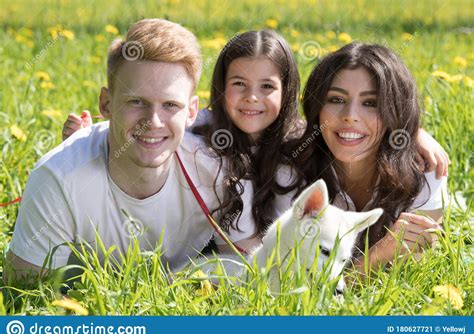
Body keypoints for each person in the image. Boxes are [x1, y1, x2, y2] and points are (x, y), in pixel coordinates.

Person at [63, 31, 449, 249]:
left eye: (267, 86)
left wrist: (411, 130)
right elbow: (156, 120)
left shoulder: (306, 144)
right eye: (239, 85)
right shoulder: (215, 134)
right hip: (220, 250)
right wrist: (89, 138)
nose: (252, 98)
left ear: (287, 93)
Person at [5, 19, 259, 285]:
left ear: (191, 112)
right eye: (137, 101)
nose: (154, 121)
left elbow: (249, 269)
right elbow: (25, 299)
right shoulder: (58, 179)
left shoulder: (218, 172)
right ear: (106, 103)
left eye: (170, 105)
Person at [293, 42, 448, 273]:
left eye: (371, 103)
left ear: (394, 111)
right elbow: (298, 284)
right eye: (336, 100)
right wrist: (377, 257)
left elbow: (411, 273)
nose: (350, 116)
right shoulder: (291, 169)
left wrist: (411, 130)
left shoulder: (426, 171)